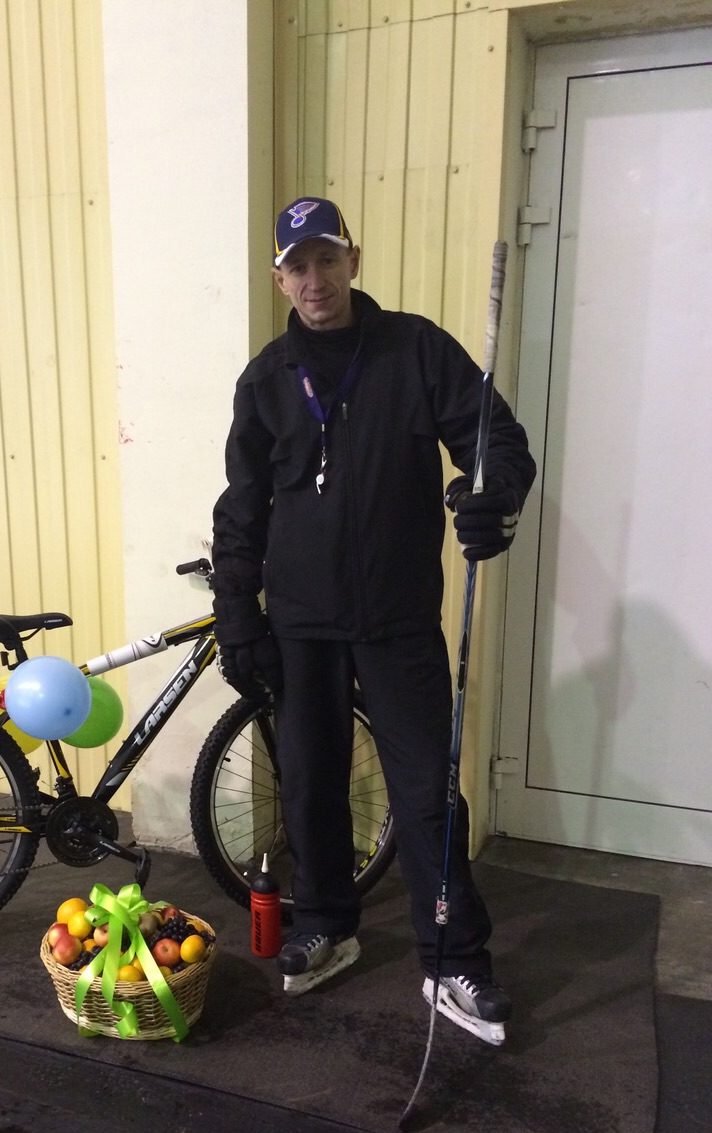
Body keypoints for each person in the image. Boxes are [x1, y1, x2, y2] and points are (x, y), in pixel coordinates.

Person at [210, 197, 536, 1035]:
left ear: (352, 260)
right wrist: (236, 612)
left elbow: (497, 440)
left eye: (328, 259)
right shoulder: (267, 379)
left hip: (397, 618)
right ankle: (326, 924)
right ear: (279, 279)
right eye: (297, 266)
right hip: (300, 623)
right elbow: (242, 507)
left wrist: (492, 495)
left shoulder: (416, 350)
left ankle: (454, 960)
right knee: (311, 783)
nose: (314, 279)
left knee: (427, 792)